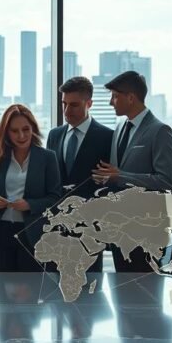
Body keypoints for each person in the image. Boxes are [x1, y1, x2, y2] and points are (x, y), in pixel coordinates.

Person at [93, 70, 172, 272]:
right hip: (119, 229)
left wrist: (119, 176)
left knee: (146, 295)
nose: (110, 102)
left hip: (147, 231)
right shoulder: (121, 126)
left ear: (130, 98)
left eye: (114, 96)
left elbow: (166, 182)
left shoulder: (160, 131)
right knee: (123, 295)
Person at [0, 104, 61, 272]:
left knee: (31, 292)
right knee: (0, 291)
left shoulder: (47, 158)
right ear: (6, 133)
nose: (21, 135)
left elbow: (55, 198)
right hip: (0, 234)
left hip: (33, 234)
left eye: (26, 129)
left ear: (33, 129)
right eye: (14, 131)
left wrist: (29, 205)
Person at [46, 76, 113, 272]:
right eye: (64, 104)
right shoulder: (55, 135)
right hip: (57, 225)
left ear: (89, 103)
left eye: (74, 105)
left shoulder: (107, 137)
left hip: (89, 227)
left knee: (90, 287)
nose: (67, 111)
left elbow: (110, 186)